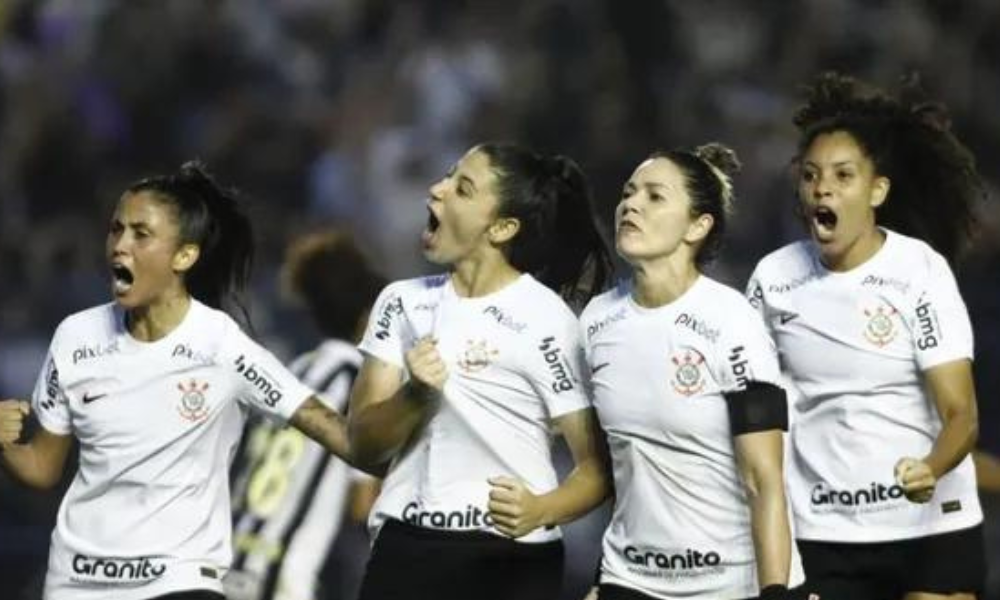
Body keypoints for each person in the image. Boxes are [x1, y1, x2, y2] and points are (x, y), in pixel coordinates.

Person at [0, 163, 355, 600]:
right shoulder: (76, 336)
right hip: (77, 585)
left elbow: (339, 434)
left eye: (140, 234)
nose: (120, 246)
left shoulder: (221, 345)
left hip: (179, 581)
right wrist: (6, 444)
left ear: (184, 256)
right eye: (116, 230)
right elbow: (41, 468)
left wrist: (412, 408)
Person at [746, 72, 987, 600]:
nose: (822, 187)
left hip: (929, 527)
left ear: (876, 190)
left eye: (842, 174)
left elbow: (961, 415)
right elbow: (752, 410)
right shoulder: (773, 279)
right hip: (822, 532)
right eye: (810, 176)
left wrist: (930, 468)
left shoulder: (919, 271)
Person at [347, 142, 613, 600]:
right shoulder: (401, 302)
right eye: (447, 176)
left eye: (462, 188)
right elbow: (364, 446)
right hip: (405, 550)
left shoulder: (547, 320)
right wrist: (413, 398)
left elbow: (596, 470)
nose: (437, 189)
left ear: (502, 227)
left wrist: (540, 509)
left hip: (507, 558)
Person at [581, 144, 805, 600]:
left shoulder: (733, 321)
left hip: (730, 583)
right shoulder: (596, 322)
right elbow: (614, 467)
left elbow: (763, 479)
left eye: (655, 197)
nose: (632, 204)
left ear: (698, 226)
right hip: (633, 581)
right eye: (629, 193)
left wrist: (776, 592)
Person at [225, 229, 385, 600]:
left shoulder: (291, 373)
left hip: (227, 564)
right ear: (368, 316)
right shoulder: (356, 387)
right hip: (281, 579)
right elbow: (362, 507)